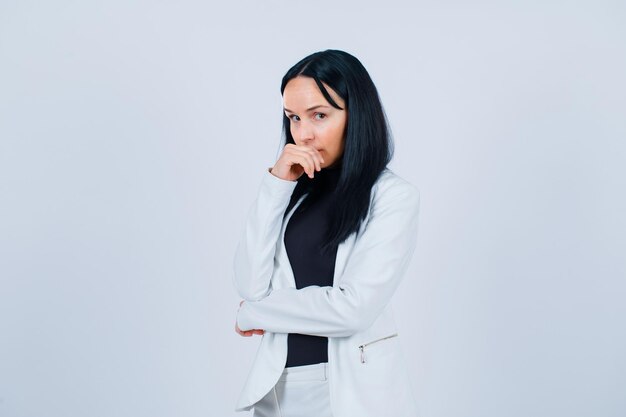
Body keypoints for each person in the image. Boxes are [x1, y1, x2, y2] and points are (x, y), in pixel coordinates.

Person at [233, 49, 421, 417]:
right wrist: (276, 184)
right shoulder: (293, 195)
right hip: (279, 390)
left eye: (319, 115)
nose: (302, 134)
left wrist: (253, 315)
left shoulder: (393, 197)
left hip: (350, 393)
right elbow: (249, 285)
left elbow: (351, 310)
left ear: (356, 114)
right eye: (293, 118)